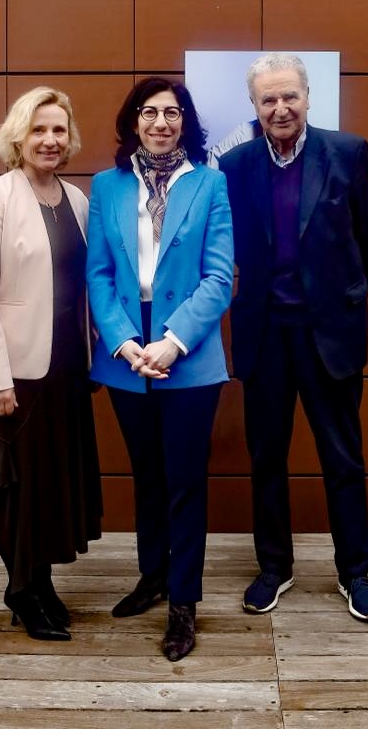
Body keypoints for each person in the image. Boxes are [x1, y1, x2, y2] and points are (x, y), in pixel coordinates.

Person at [219, 53, 368, 622]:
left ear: (309, 97)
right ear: (255, 107)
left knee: (343, 458)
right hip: (265, 335)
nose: (280, 107)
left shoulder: (347, 153)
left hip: (330, 337)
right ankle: (274, 568)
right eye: (268, 99)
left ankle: (356, 573)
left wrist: (342, 295)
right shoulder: (236, 165)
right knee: (266, 456)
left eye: (289, 95)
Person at [86, 77, 233, 661]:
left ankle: (183, 603)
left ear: (185, 122)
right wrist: (124, 343)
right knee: (147, 476)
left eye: (172, 113)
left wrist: (172, 343)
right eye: (149, 113)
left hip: (188, 356)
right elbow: (97, 275)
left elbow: (219, 276)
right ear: (133, 122)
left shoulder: (210, 185)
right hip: (126, 357)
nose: (160, 122)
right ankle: (152, 577)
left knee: (184, 481)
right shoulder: (106, 186)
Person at [0, 87, 102, 642]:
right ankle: (22, 590)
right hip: (14, 371)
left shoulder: (78, 200)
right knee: (19, 485)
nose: (50, 140)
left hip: (64, 365)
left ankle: (41, 584)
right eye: (39, 129)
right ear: (18, 136)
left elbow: (83, 287)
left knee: (51, 482)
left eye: (59, 130)